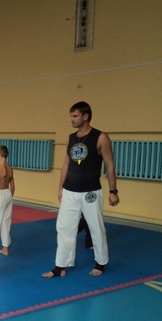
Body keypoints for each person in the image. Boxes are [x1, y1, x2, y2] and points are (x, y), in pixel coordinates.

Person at [42, 101, 119, 278]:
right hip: (70, 190)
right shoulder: (71, 138)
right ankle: (60, 266)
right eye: (71, 116)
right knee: (64, 228)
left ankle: (101, 263)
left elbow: (109, 165)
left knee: (96, 227)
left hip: (90, 192)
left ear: (86, 116)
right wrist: (61, 188)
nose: (72, 119)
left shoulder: (100, 137)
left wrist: (113, 191)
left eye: (75, 116)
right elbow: (66, 164)